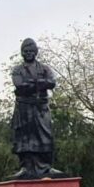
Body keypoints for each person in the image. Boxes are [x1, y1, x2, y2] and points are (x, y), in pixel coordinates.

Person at [10, 38, 58, 178]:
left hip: (41, 108)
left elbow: (52, 82)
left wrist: (33, 83)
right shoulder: (17, 70)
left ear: (36, 52)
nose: (29, 53)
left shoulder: (44, 68)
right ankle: (26, 166)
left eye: (31, 51)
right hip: (24, 108)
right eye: (26, 51)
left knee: (45, 134)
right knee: (24, 137)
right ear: (22, 53)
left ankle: (46, 167)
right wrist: (40, 83)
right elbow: (20, 85)